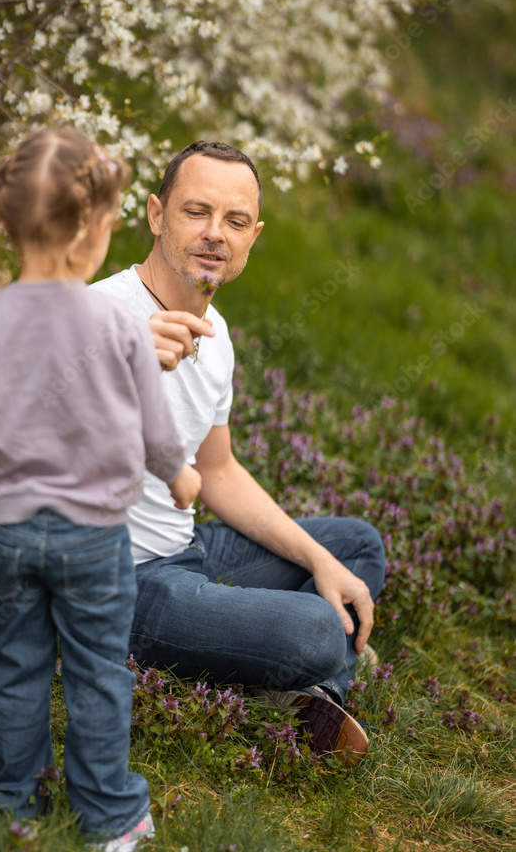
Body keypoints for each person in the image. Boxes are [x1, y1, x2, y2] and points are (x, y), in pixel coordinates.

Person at [0, 128, 201, 851]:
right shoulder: (116, 321)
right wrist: (179, 473)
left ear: (6, 223)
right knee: (98, 672)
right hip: (94, 537)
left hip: (6, 534)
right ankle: (108, 816)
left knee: (14, 661)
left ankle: (13, 799)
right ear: (91, 232)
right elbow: (153, 422)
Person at [92, 140, 386, 762]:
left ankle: (308, 694)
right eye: (196, 212)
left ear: (254, 235)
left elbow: (217, 471)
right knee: (317, 629)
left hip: (185, 551)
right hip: (117, 582)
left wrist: (318, 561)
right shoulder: (99, 315)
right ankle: (314, 680)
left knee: (353, 549)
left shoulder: (216, 335)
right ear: (155, 213)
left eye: (233, 221)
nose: (213, 235)